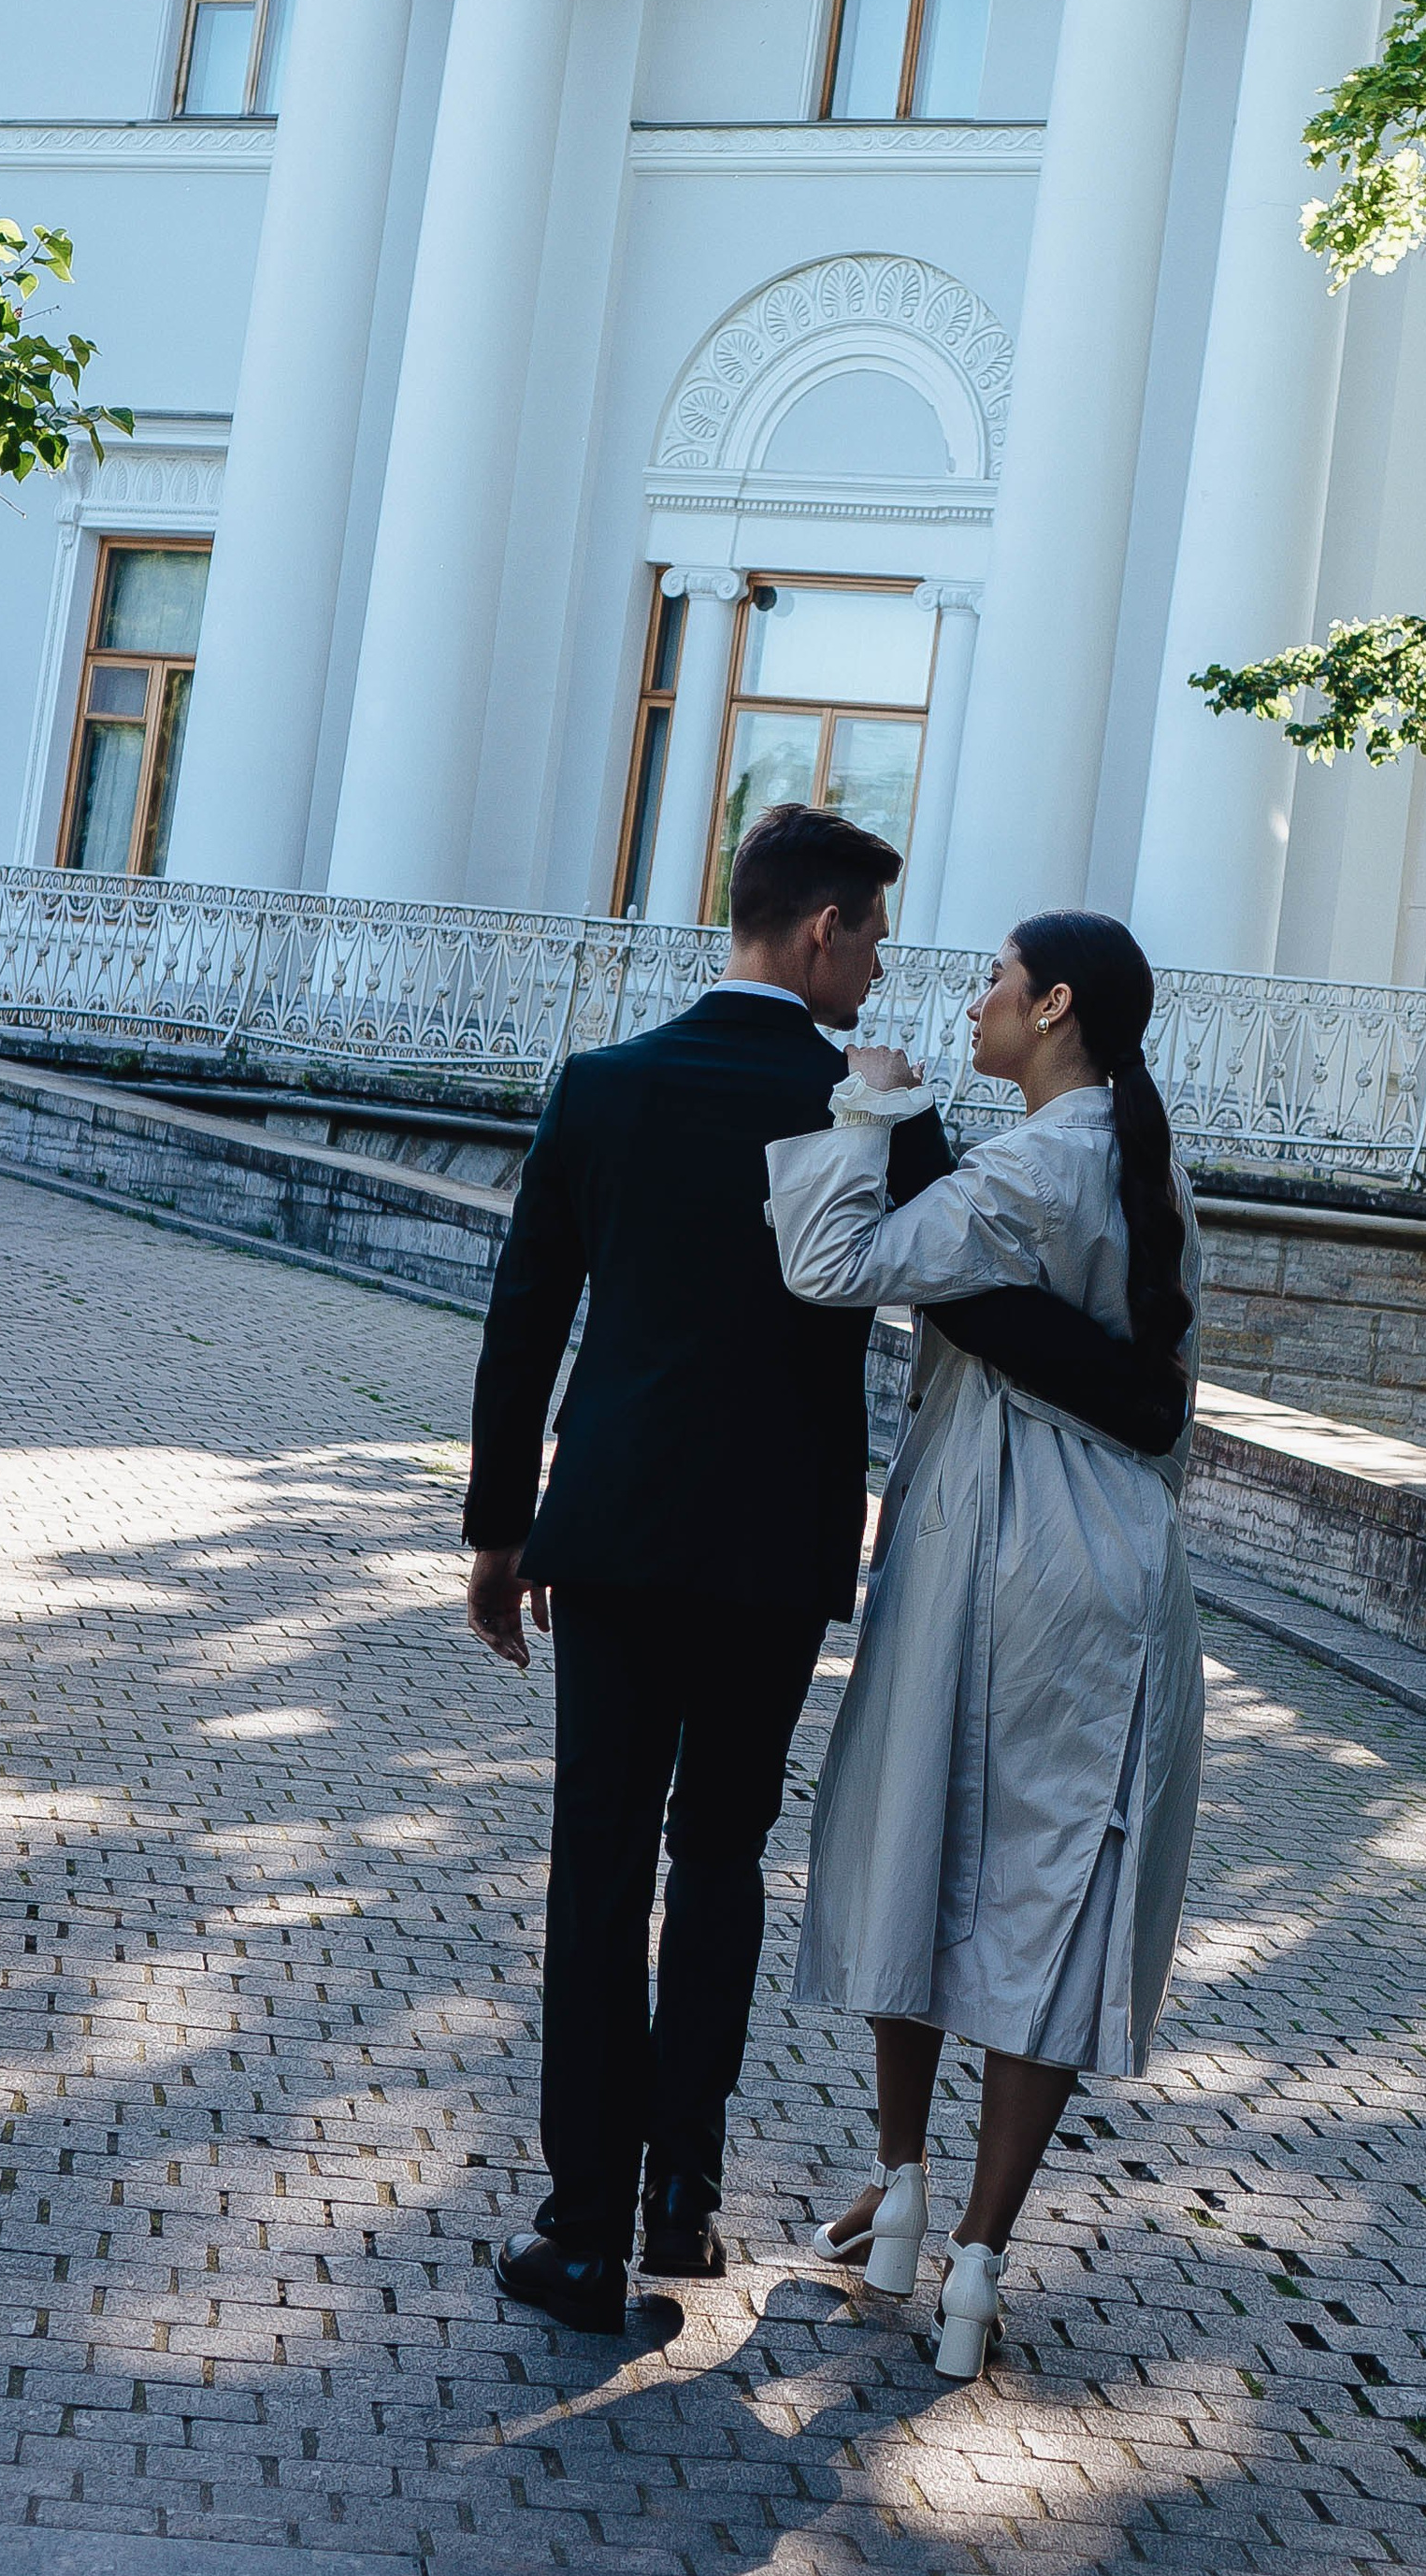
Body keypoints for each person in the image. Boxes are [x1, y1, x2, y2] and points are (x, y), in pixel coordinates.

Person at [462, 806, 1187, 2336]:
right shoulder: (883, 1111)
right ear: (818, 933)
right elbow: (975, 1301)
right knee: (718, 1862)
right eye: (870, 936)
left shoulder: (604, 1087)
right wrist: (1140, 1393)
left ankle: (581, 2227)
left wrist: (498, 1527)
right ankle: (686, 2202)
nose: (886, 970)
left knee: (598, 1870)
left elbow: (524, 1325)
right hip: (779, 1560)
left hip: (611, 1541)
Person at [765, 909, 1204, 2382]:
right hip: (1118, 1563)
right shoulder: (1148, 1164)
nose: (970, 1004)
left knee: (921, 1831)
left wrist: (866, 1104)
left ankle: (899, 2186)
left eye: (995, 984)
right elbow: (1169, 1396)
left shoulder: (1022, 1163)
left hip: (983, 1542)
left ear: (1056, 1004)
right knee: (1053, 1892)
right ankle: (972, 2262)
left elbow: (832, 1264)